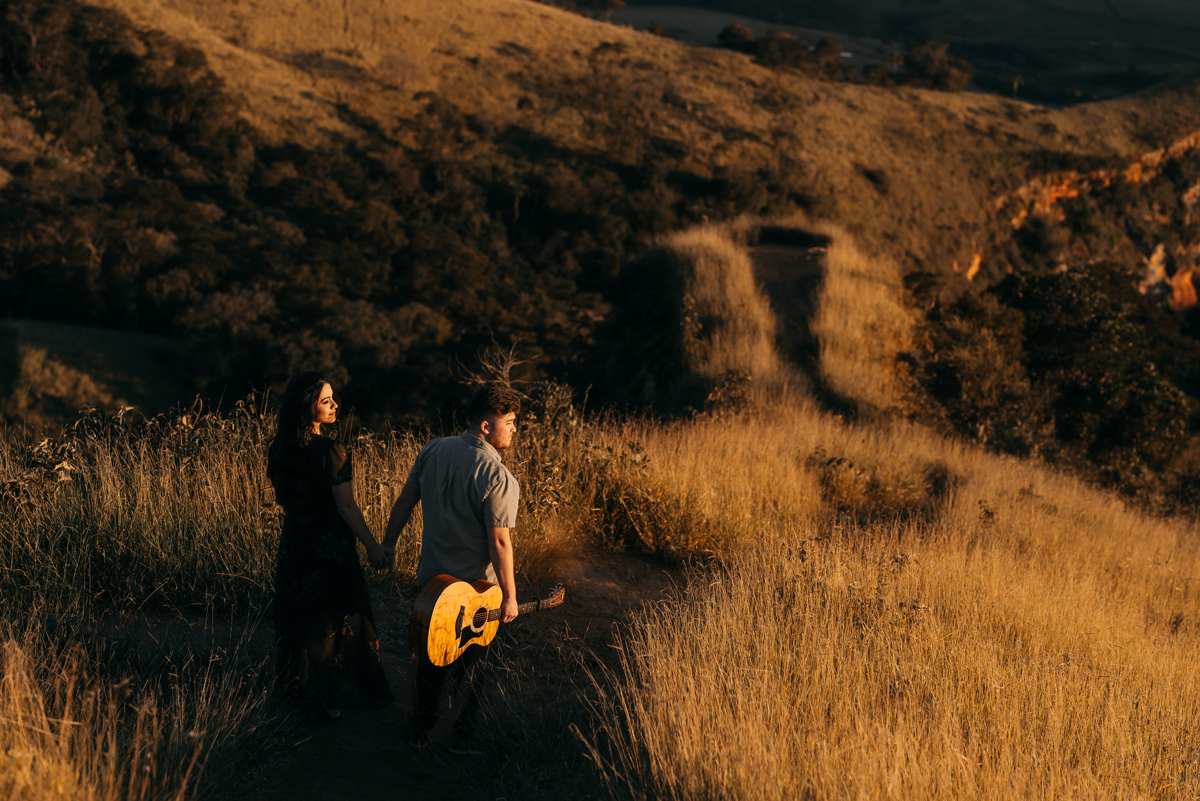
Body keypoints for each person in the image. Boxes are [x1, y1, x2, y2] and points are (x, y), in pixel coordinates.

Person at [381, 385, 523, 754]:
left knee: (430, 661)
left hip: (433, 581)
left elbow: (404, 502)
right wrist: (510, 596)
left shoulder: (433, 449)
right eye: (508, 422)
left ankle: (420, 732)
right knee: (472, 667)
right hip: (474, 591)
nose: (514, 429)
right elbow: (500, 543)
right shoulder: (497, 475)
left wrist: (388, 544)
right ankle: (461, 738)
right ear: (486, 426)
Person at [267, 371, 394, 716]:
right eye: (326, 401)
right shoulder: (332, 450)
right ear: (308, 407)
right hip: (329, 548)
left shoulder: (280, 447)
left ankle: (293, 689)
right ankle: (320, 698)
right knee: (328, 623)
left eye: (333, 398)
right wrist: (371, 545)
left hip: (294, 546)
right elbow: (346, 506)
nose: (335, 405)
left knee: (298, 618)